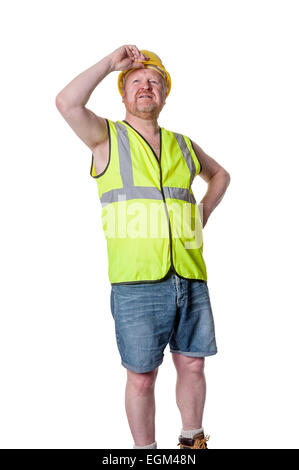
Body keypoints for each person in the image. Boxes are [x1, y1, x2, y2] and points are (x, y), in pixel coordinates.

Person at [56, 45, 231, 450]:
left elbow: (220, 175)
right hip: (136, 283)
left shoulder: (183, 144)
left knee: (192, 363)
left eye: (154, 81)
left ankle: (192, 442)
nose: (146, 86)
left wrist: (203, 210)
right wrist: (108, 63)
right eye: (136, 81)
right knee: (141, 375)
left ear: (165, 92)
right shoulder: (107, 138)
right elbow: (66, 102)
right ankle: (144, 454)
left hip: (189, 276)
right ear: (123, 93)